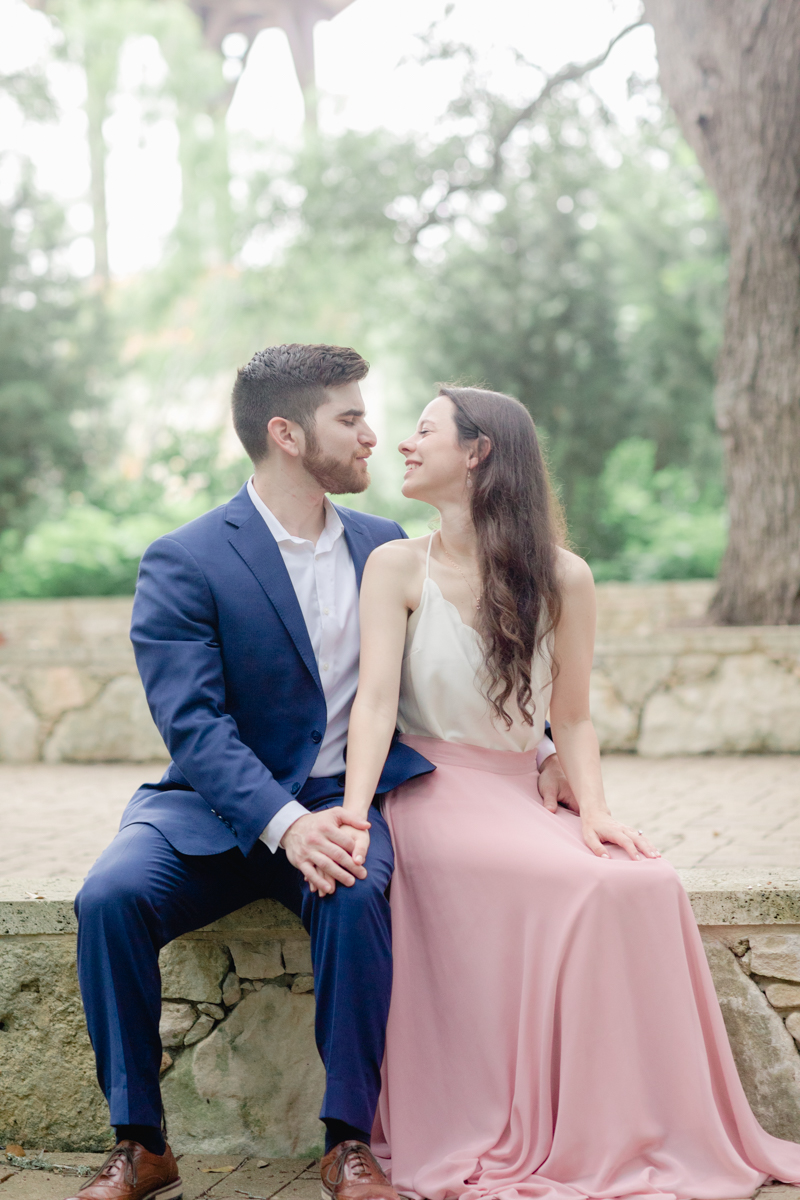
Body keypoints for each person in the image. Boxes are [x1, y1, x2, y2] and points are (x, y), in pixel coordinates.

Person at [69, 347, 574, 1200]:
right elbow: (193, 726)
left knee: (355, 894)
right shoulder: (185, 559)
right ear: (287, 434)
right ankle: (140, 1141)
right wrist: (285, 823)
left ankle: (347, 1143)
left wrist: (548, 744)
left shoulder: (390, 546)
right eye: (350, 418)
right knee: (108, 898)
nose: (374, 435)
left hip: (346, 803)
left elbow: (487, 654)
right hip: (212, 810)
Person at [341, 384, 800, 1200]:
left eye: (423, 432)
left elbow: (575, 718)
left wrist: (595, 810)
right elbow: (374, 703)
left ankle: (637, 1127)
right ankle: (554, 1125)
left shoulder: (565, 577)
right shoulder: (394, 565)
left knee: (644, 879)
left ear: (478, 451)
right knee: (582, 887)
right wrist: (352, 813)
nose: (403, 446)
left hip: (521, 792)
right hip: (433, 798)